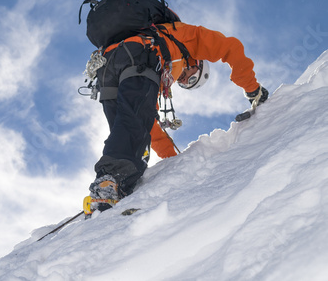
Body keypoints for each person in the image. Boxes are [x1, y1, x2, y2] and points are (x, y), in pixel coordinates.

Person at [88, 21, 269, 212]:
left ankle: (113, 187)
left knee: (124, 130)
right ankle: (110, 181)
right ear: (197, 63)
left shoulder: (164, 71)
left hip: (108, 66)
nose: (183, 80)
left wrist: (175, 161)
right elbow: (231, 47)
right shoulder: (187, 38)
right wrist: (252, 89)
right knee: (132, 126)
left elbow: (149, 124)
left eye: (186, 85)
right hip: (138, 54)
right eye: (192, 78)